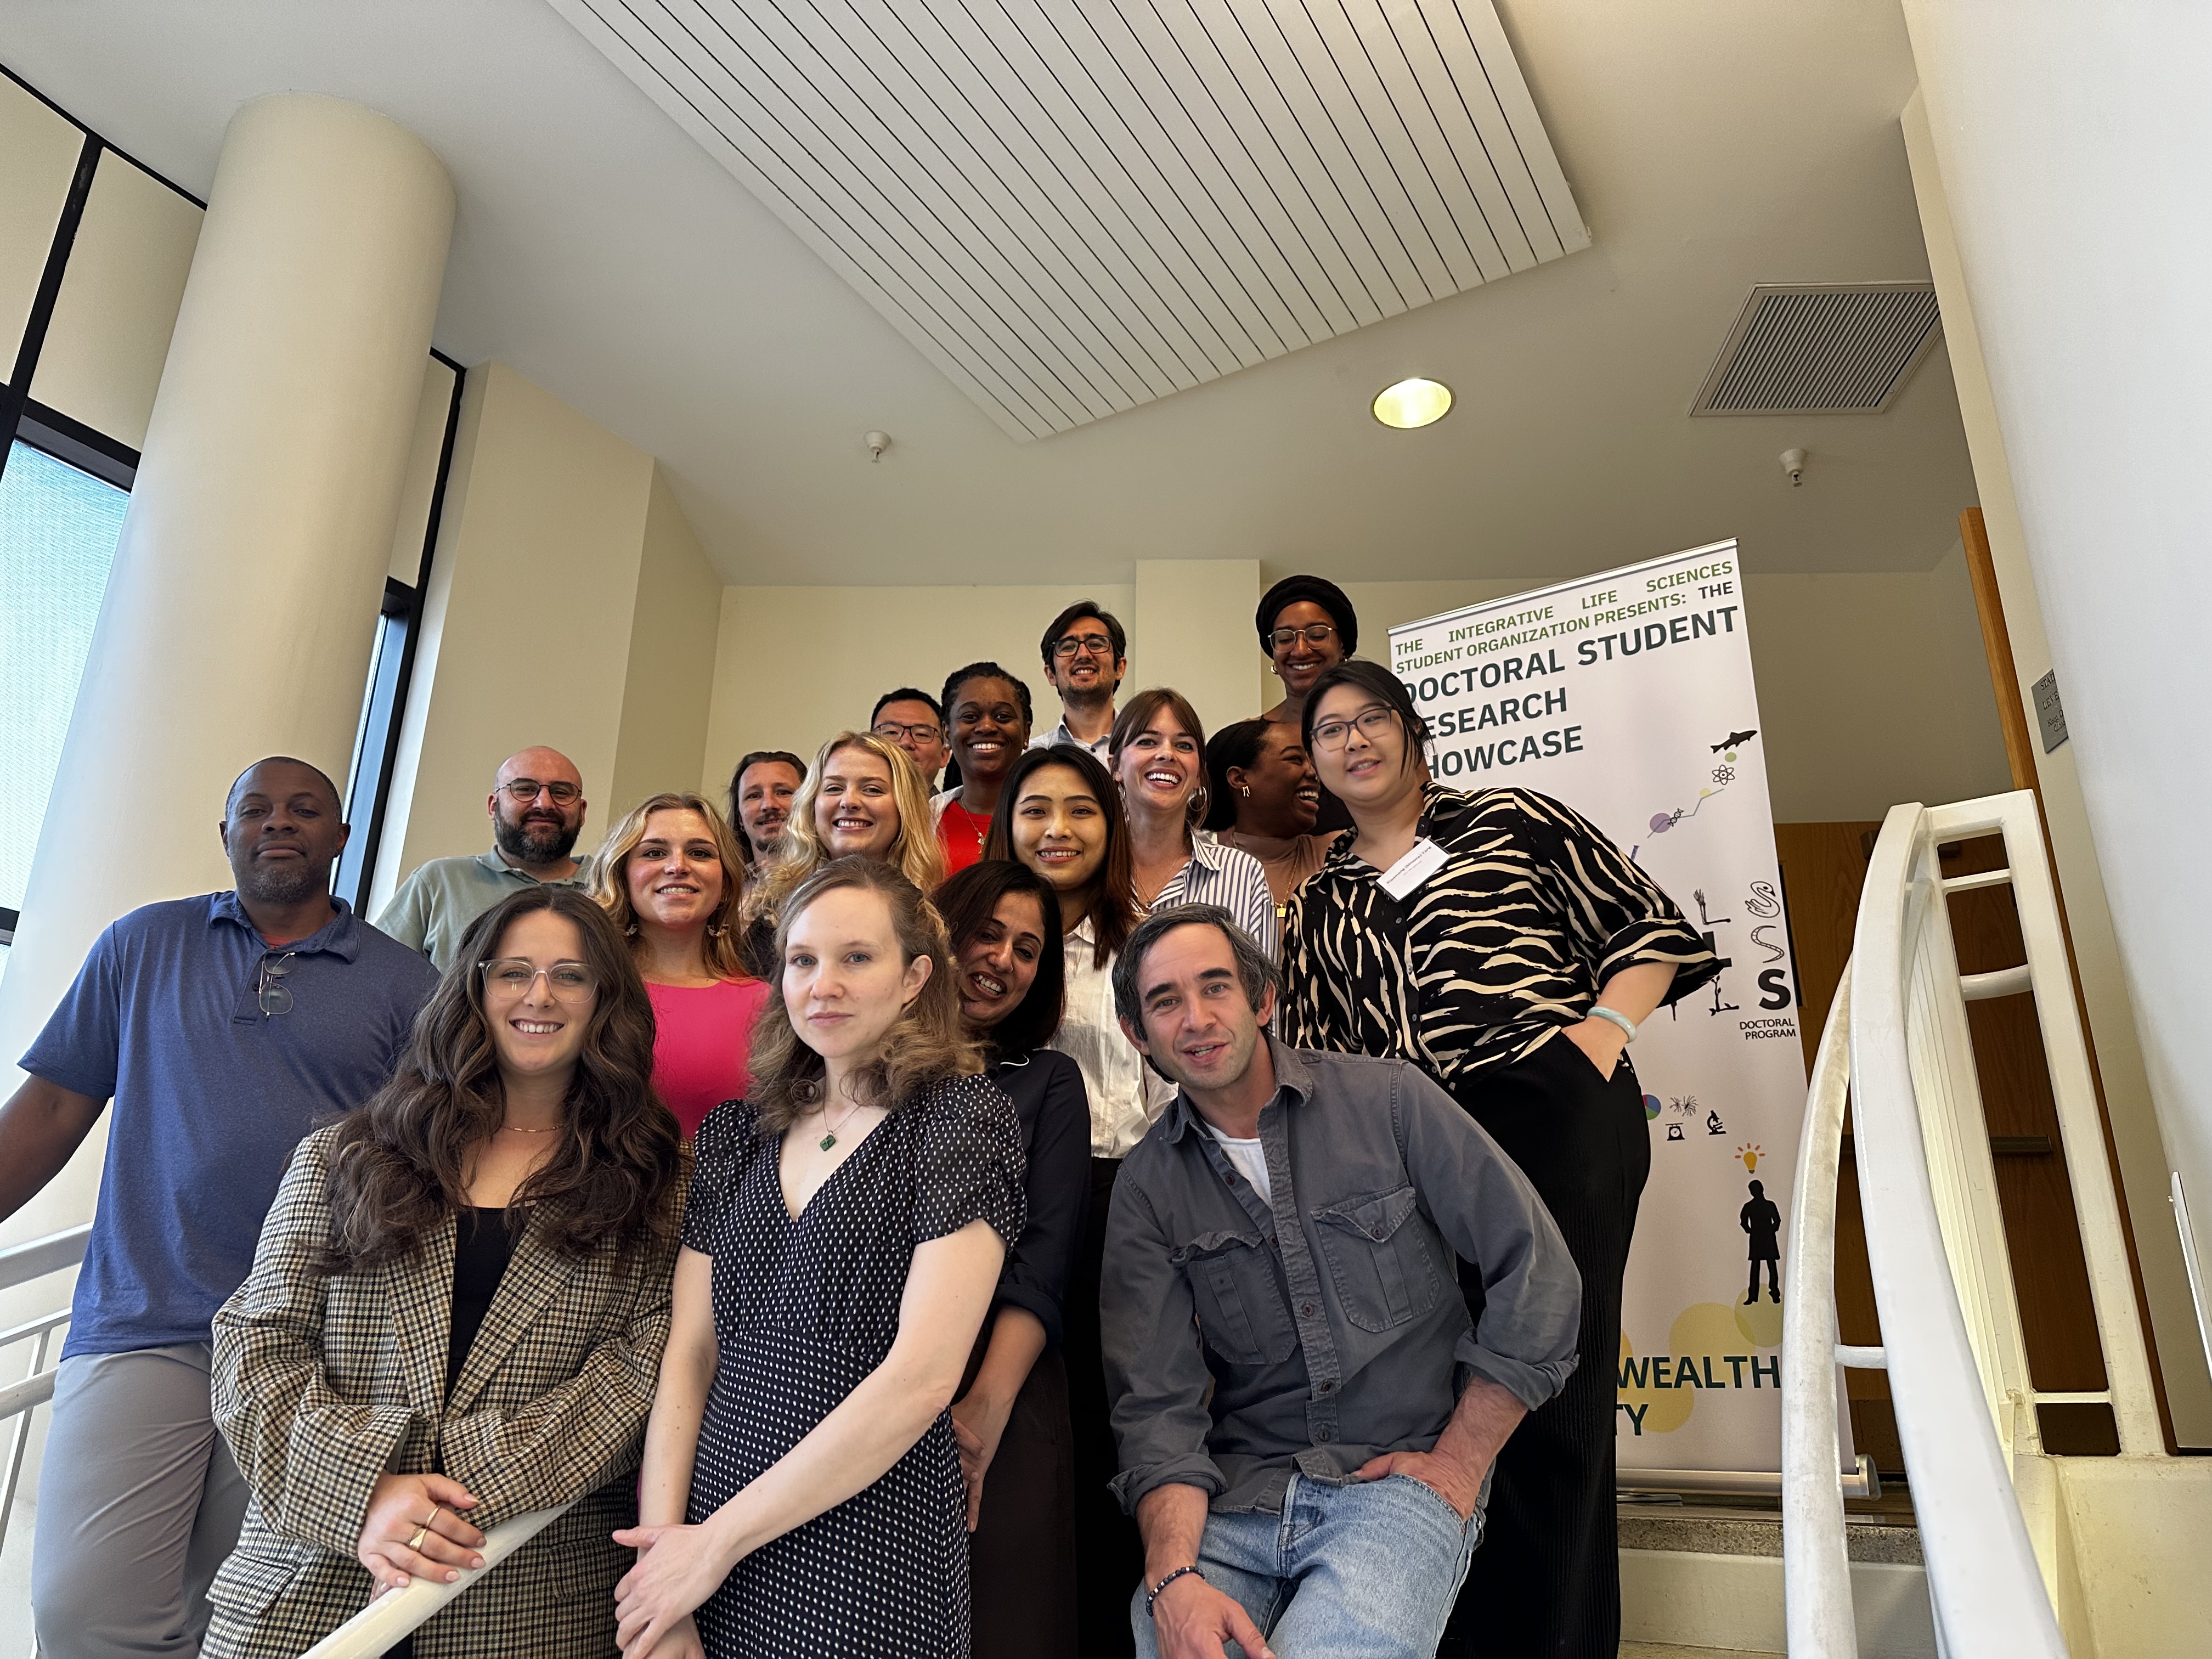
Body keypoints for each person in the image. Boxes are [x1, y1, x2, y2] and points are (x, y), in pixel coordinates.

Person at [1282, 660, 1719, 1659]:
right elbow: (1318, 1055)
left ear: (1410, 729)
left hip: (1546, 1103)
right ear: (1312, 761)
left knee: (1553, 1386)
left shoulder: (1512, 819)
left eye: (1370, 719)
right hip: (1412, 1149)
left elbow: (1643, 929)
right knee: (1449, 1394)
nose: (1354, 741)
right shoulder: (1320, 900)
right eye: (1330, 730)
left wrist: (1596, 1039)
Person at [1, 757, 439, 1659]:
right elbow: (47, 1109)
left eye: (306, 808)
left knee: (241, 1612)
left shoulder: (409, 985)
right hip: (141, 1317)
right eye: (256, 809)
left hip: (307, 1342)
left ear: (341, 837)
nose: (279, 822)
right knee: (85, 1607)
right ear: (228, 833)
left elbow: (427, 1159)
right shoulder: (142, 944)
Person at [202, 886, 686, 1657]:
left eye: (571, 974)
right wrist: (366, 1494)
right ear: (474, 985)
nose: (539, 996)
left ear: (606, 999)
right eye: (513, 972)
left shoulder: (663, 1182)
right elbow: (254, 1345)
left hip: (524, 1598)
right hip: (306, 1581)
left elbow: (639, 1380)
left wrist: (431, 1502)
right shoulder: (346, 1154)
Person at [1101, 906, 1580, 1659]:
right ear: (1139, 1034)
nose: (1196, 1019)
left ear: (1262, 1000)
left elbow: (1540, 1273)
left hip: (1399, 1483)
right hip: (1240, 1497)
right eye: (1165, 1002)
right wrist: (1173, 1579)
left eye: (1216, 987)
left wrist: (1457, 1467)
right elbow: (1155, 1402)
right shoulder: (1145, 1187)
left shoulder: (1389, 1101)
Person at [613, 858, 1025, 1659]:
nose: (822, 983)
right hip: (703, 1534)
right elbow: (690, 1357)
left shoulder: (960, 1118)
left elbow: (922, 1380)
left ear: (914, 978)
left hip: (867, 1536)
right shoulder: (738, 1134)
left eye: (855, 958)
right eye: (802, 960)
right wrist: (665, 1561)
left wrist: (714, 1545)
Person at [986, 742, 1158, 1657]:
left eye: (1082, 809)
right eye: (1036, 807)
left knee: (1105, 1435)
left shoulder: (1144, 940)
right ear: (1005, 821)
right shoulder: (974, 937)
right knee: (1017, 1442)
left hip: (1114, 1198)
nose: (1057, 828)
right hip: (983, 1201)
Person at [935, 861, 1091, 1657]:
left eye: (1028, 949)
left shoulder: (1049, 1082)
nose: (1002, 959)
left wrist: (984, 1410)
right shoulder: (859, 1066)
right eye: (987, 933)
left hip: (1001, 1378)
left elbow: (1045, 1261)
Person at [592, 792, 771, 1139]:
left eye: (700, 853)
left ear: (726, 882)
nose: (678, 866)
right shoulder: (582, 990)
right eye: (654, 853)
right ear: (622, 875)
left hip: (722, 1193)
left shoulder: (768, 1005)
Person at [742, 731, 947, 974]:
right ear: (812, 805)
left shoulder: (929, 919)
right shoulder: (773, 913)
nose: (848, 802)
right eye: (834, 788)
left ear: (905, 808)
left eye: (872, 790)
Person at [377, 747, 592, 968]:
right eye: (525, 790)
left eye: (561, 793)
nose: (545, 804)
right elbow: (375, 974)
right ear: (493, 806)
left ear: (582, 811)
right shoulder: (438, 882)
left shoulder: (612, 884)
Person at [1109, 689, 1274, 961]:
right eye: (1148, 741)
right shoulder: (1087, 868)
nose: (1167, 754)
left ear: (1199, 775)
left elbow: (1262, 999)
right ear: (1115, 766)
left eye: (1184, 745)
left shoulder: (1243, 875)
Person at [1202, 719, 1342, 928]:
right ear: (1239, 778)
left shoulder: (1342, 852)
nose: (1314, 773)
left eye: (1312, 761)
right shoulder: (1197, 871)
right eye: (1295, 759)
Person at [1255, 577, 1358, 835]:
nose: (1300, 650)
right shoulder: (1251, 741)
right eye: (1285, 639)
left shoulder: (1381, 729)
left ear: (1342, 646)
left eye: (1317, 635)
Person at [933, 662, 1034, 876]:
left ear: (1026, 733)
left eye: (1002, 717)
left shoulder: (1051, 818)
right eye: (970, 717)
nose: (987, 727)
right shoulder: (924, 820)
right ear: (947, 733)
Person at [1033, 600, 1127, 760]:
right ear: (1051, 674)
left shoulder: (1146, 752)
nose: (1083, 654)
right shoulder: (1031, 757)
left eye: (1096, 644)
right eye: (1068, 647)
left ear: (1120, 668)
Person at [726, 749, 804, 869]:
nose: (768, 805)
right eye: (754, 796)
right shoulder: (724, 886)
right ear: (740, 817)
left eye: (783, 792)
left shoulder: (833, 881)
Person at [873, 689, 952, 789]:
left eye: (921, 734)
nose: (906, 742)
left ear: (944, 755)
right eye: (891, 732)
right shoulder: (849, 803)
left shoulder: (954, 806)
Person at [1742, 1180, 1782, 1305]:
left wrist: (1751, 1231)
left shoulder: (1760, 1205)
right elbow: (1744, 1222)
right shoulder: (1765, 1205)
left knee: (1766, 1267)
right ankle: (1759, 1294)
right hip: (1763, 1238)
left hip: (1763, 1238)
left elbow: (1777, 1221)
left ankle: (1772, 1293)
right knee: (1764, 1267)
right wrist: (1770, 1230)